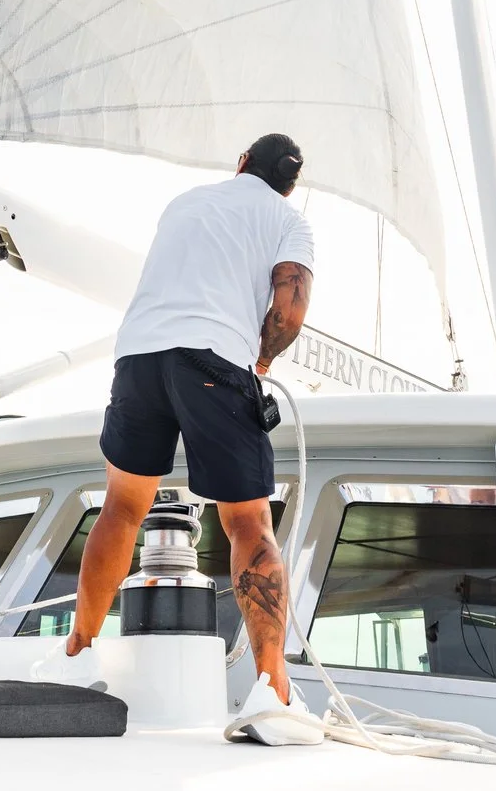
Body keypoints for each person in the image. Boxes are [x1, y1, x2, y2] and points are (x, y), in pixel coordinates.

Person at [66, 133, 313, 704]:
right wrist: (262, 361)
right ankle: (272, 690)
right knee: (248, 523)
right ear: (289, 187)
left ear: (242, 163)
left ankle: (79, 652)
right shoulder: (288, 220)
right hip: (213, 361)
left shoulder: (186, 202)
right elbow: (289, 306)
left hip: (138, 358)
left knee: (121, 508)